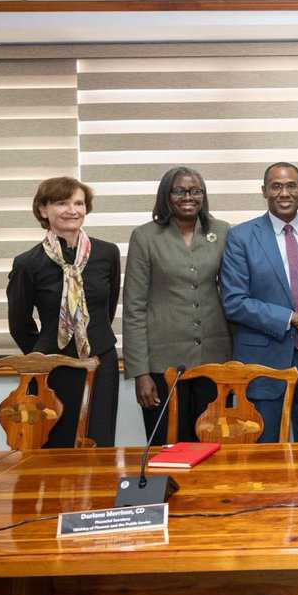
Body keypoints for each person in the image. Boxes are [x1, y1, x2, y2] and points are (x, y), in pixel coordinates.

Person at [220, 162, 298, 442]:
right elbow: (234, 302)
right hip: (262, 364)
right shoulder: (241, 237)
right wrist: (292, 317)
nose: (284, 193)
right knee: (264, 452)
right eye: (276, 186)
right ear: (264, 191)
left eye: (291, 186)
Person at [7, 176, 120, 447]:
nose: (72, 210)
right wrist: (43, 357)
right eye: (61, 203)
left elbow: (107, 310)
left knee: (98, 441)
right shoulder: (28, 263)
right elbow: (19, 324)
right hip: (52, 370)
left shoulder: (107, 253)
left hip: (100, 363)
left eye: (79, 203)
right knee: (55, 444)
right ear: (43, 209)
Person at [122, 166, 231, 445]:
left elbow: (234, 294)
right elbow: (134, 307)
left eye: (195, 191)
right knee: (167, 447)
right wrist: (141, 373)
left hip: (214, 359)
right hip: (163, 365)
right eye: (179, 191)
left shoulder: (222, 232)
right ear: (166, 195)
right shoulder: (145, 236)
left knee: (212, 444)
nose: (188, 197)